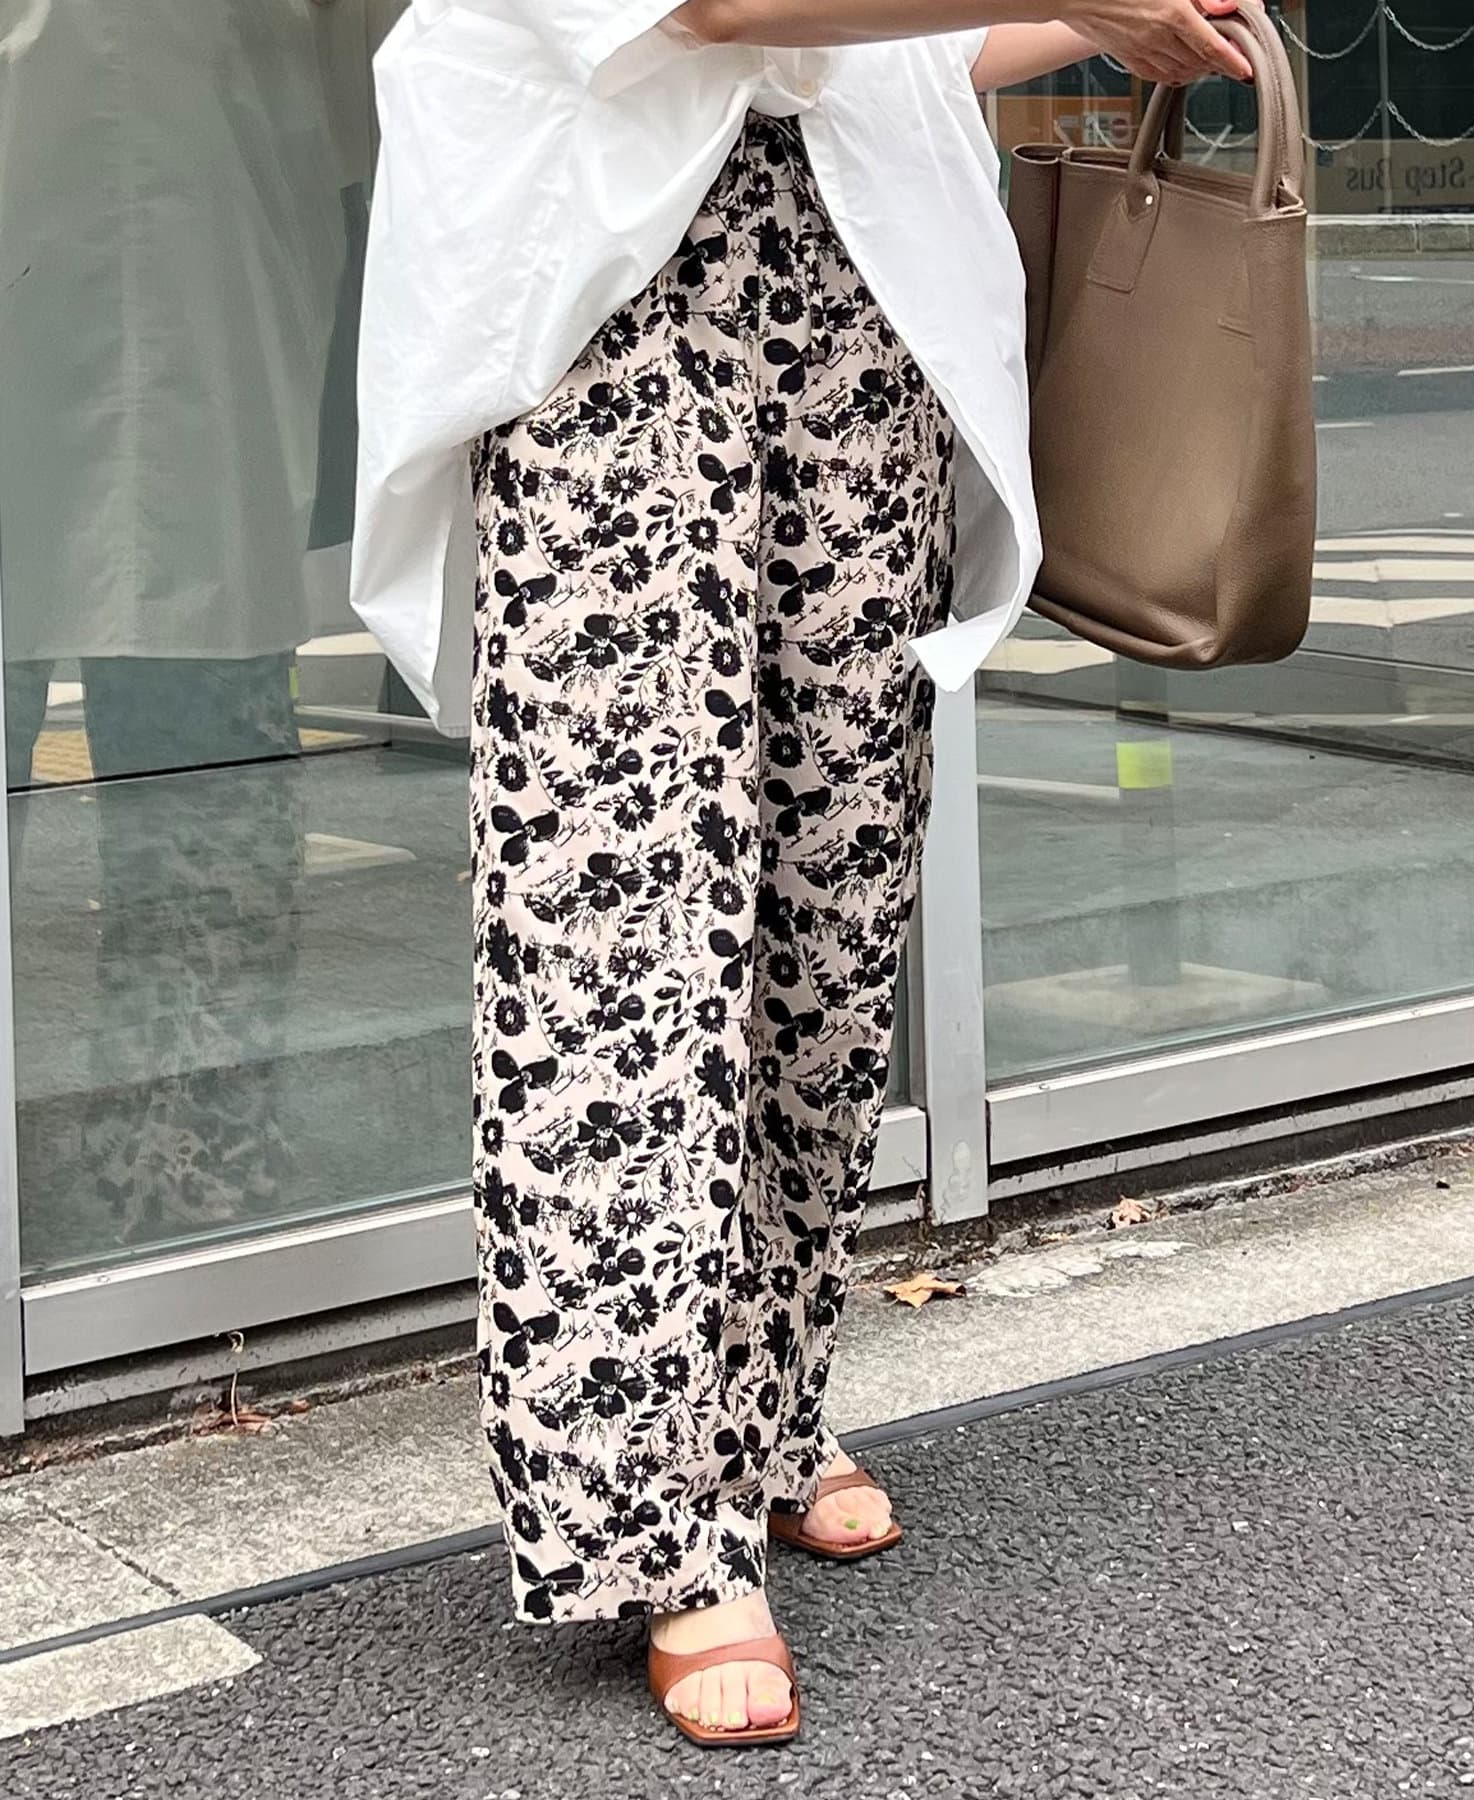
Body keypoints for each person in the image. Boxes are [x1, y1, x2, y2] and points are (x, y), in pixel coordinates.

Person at [351, 0, 1252, 1748]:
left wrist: (1089, 31)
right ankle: (651, 1517)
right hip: (612, 330)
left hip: (864, 309)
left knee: (830, 918)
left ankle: (759, 1405)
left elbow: (875, 45)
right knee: (622, 942)